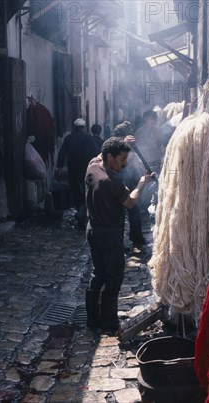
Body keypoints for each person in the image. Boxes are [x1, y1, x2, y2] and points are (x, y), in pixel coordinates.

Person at [84, 137, 155, 332]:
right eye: (122, 159)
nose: (124, 163)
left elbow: (101, 153)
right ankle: (109, 322)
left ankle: (92, 320)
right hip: (109, 235)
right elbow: (130, 202)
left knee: (98, 274)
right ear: (110, 157)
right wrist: (142, 183)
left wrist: (123, 142)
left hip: (93, 230)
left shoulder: (92, 165)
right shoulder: (112, 181)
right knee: (113, 279)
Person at [56, 118, 98, 229]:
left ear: (74, 128)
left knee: (76, 192)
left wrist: (60, 168)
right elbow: (96, 151)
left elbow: (62, 153)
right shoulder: (88, 138)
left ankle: (80, 213)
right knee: (86, 192)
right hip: (86, 170)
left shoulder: (69, 138)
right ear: (83, 128)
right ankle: (82, 214)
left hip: (73, 170)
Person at [112, 121, 145, 249]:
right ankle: (118, 241)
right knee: (118, 214)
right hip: (117, 182)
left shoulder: (129, 147)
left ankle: (136, 239)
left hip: (130, 182)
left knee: (134, 211)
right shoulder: (115, 146)